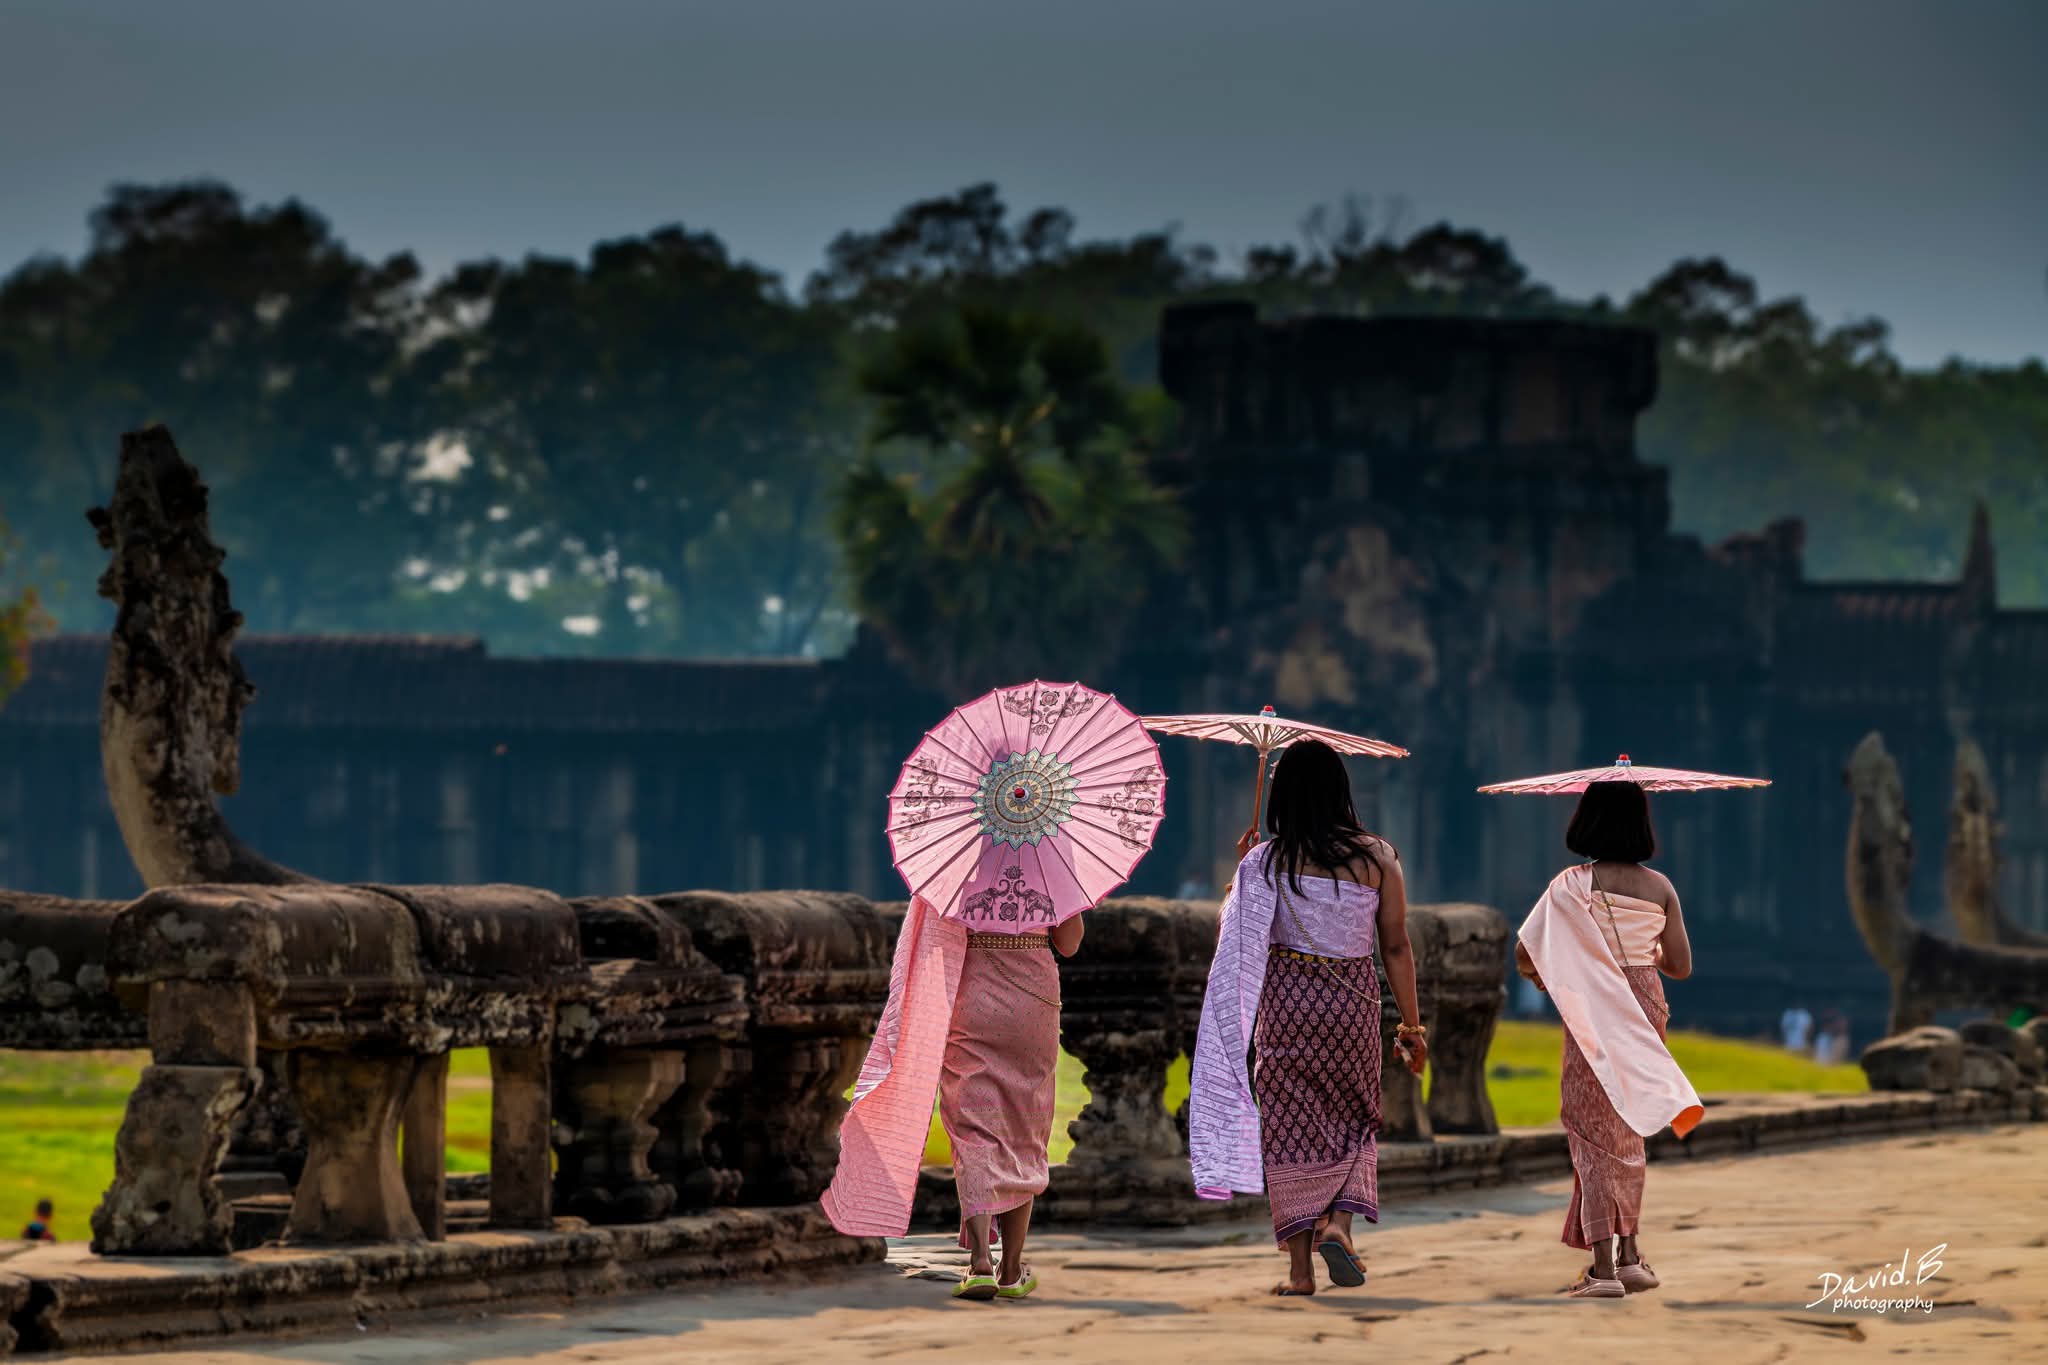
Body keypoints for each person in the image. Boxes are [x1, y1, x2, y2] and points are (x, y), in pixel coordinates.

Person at [1189, 740, 1427, 1297]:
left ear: (1283, 796)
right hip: (1351, 1006)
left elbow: (1239, 939)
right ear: (1341, 792)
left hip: (1286, 1007)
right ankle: (1339, 1226)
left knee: (1289, 1131)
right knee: (1356, 1118)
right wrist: (1411, 1027)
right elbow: (1395, 947)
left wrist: (1240, 881)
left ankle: (1299, 1274)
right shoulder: (1379, 858)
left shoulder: (1267, 861)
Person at [821, 882, 1085, 1303]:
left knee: (973, 1127)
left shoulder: (960, 862)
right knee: (1025, 1126)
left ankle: (980, 1260)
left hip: (973, 992)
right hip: (1033, 998)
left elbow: (938, 930)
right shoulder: (1052, 857)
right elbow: (1069, 944)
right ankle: (1012, 1269)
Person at [1516, 780, 1703, 1300]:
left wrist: (1564, 975)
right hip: (1646, 1001)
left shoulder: (1571, 885)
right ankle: (1631, 1256)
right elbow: (1681, 966)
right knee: (1628, 1126)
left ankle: (1602, 1272)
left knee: (1589, 1127)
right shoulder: (1661, 887)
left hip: (1593, 1010)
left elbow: (1525, 955)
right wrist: (1644, 958)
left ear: (1587, 822)